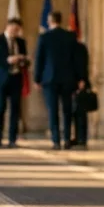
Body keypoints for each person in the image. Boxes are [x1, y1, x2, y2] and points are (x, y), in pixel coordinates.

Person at [33, 12, 83, 150]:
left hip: (49, 79)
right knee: (67, 110)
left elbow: (39, 59)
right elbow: (77, 59)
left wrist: (37, 79)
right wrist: (80, 78)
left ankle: (56, 141)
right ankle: (67, 139)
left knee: (52, 111)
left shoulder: (44, 37)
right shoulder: (70, 36)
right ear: (61, 21)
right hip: (68, 78)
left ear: (49, 21)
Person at [0, 18, 28, 147]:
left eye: (17, 30)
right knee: (1, 108)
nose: (15, 32)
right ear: (8, 27)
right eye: (14, 29)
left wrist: (23, 60)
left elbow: (25, 60)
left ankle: (12, 139)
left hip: (16, 79)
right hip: (1, 79)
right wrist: (7, 60)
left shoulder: (21, 42)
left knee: (15, 109)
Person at [69, 37, 91, 147]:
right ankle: (77, 137)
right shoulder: (71, 47)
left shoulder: (80, 47)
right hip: (72, 83)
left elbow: (82, 65)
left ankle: (82, 137)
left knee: (81, 113)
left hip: (79, 83)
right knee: (74, 112)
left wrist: (82, 80)